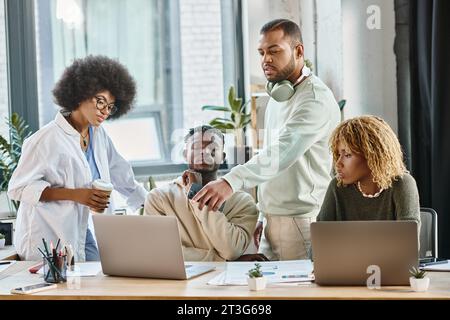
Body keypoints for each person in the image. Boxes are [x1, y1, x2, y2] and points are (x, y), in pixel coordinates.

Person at [192, 19, 340, 260]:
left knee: (299, 298)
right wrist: (262, 213)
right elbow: (270, 157)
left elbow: (281, 153)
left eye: (274, 51)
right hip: (273, 219)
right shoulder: (278, 97)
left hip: (300, 222)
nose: (265, 60)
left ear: (298, 51)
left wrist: (231, 182)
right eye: (261, 52)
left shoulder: (314, 100)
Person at [8, 55, 148, 261]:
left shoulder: (98, 135)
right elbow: (18, 188)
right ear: (81, 93)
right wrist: (76, 195)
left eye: (110, 106)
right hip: (47, 238)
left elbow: (122, 177)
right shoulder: (45, 140)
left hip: (80, 231)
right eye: (100, 101)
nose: (105, 111)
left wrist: (156, 206)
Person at [144, 125, 267, 262]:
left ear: (223, 157)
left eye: (213, 148)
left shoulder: (243, 202)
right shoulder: (159, 198)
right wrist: (222, 261)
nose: (204, 152)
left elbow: (231, 250)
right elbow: (160, 252)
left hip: (228, 281)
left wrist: (195, 193)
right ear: (185, 155)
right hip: (178, 280)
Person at [317, 116, 421, 232]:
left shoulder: (402, 184)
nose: (338, 164)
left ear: (372, 156)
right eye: (338, 154)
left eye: (347, 155)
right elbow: (318, 243)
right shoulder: (337, 186)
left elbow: (408, 244)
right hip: (346, 251)